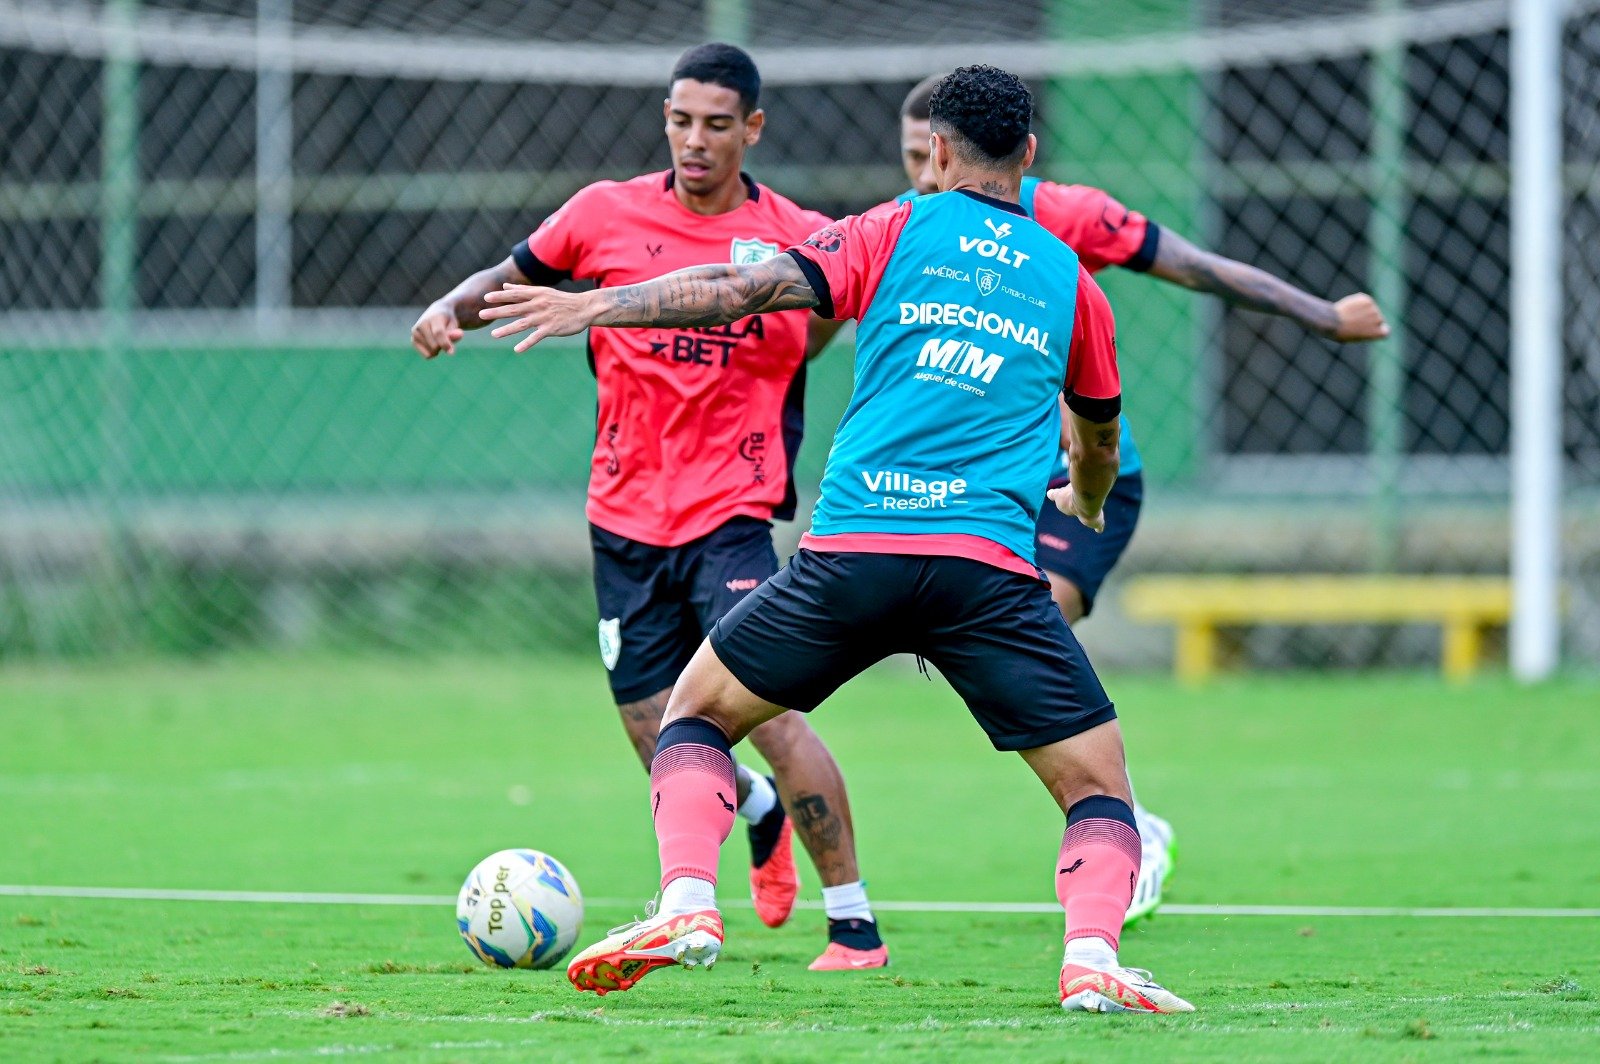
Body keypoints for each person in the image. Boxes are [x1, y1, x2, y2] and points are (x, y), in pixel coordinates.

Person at [484, 64, 1193, 1013]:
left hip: (852, 556)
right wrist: (1092, 503)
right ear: (1026, 158)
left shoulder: (890, 228)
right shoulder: (1071, 281)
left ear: (935, 151)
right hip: (986, 572)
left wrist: (600, 304)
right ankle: (1094, 959)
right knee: (1099, 790)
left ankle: (690, 903)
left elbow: (744, 290)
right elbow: (1098, 436)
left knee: (692, 718)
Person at [410, 43, 885, 971]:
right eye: (680, 120)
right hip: (622, 514)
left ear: (752, 129)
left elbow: (842, 307)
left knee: (770, 709)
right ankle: (751, 813)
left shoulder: (793, 232)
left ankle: (854, 923)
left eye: (717, 124)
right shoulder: (602, 212)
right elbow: (510, 274)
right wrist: (445, 308)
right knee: (652, 725)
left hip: (735, 513)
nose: (695, 141)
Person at [891, 75, 1393, 924]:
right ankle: (1117, 816)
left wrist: (1322, 316)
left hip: (1084, 481)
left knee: (1026, 618)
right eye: (908, 159)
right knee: (969, 635)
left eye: (926, 156)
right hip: (968, 496)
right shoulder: (905, 232)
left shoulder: (1067, 215)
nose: (922, 174)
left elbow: (1194, 265)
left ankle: (1120, 816)